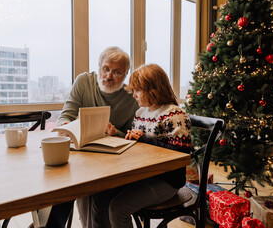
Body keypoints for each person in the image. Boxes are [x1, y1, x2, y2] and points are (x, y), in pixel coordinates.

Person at [38, 46, 139, 228]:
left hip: (111, 162)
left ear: (125, 75)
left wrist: (116, 133)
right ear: (99, 66)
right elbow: (65, 116)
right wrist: (68, 127)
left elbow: (131, 137)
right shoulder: (84, 81)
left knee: (98, 197)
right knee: (63, 183)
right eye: (106, 69)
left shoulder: (131, 97)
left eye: (116, 72)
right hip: (80, 155)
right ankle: (50, 224)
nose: (108, 76)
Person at [91, 63, 193, 228]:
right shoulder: (141, 113)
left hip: (166, 181)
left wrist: (144, 139)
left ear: (153, 90)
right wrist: (117, 134)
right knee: (99, 196)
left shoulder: (175, 115)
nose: (134, 95)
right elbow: (136, 143)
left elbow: (181, 155)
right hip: (141, 175)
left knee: (118, 209)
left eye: (137, 91)